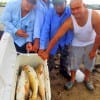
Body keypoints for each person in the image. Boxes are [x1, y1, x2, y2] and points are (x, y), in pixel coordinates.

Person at [39, 0, 100, 91]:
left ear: (84, 5)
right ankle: (68, 79)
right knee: (68, 63)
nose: (75, 11)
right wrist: (45, 50)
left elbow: (98, 34)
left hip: (80, 42)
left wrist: (94, 50)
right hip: (66, 42)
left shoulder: (92, 15)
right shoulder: (65, 19)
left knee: (85, 62)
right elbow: (53, 35)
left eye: (78, 8)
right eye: (73, 9)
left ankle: (85, 78)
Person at [38, 0, 74, 80]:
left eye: (61, 4)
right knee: (49, 58)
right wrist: (42, 46)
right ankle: (48, 70)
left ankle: (63, 70)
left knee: (65, 57)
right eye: (55, 4)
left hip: (66, 40)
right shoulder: (50, 12)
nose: (58, 7)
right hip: (53, 41)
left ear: (65, 2)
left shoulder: (71, 12)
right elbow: (45, 29)